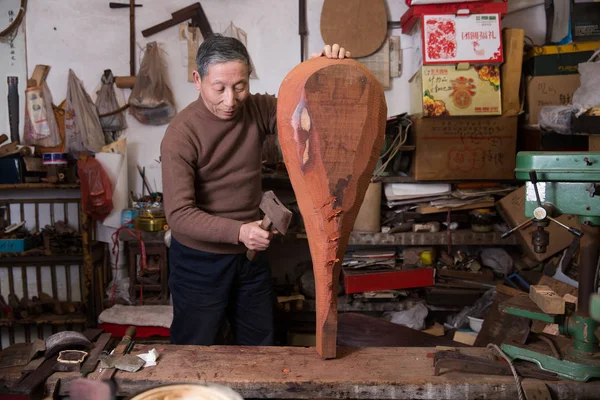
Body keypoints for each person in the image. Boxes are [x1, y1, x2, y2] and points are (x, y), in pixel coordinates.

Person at [161, 36, 350, 346]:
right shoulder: (181, 134)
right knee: (194, 349)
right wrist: (239, 231)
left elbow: (307, 121)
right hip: (198, 262)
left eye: (240, 86)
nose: (231, 100)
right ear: (198, 80)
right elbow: (179, 215)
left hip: (250, 259)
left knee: (262, 348)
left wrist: (325, 71)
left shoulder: (257, 108)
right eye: (219, 88)